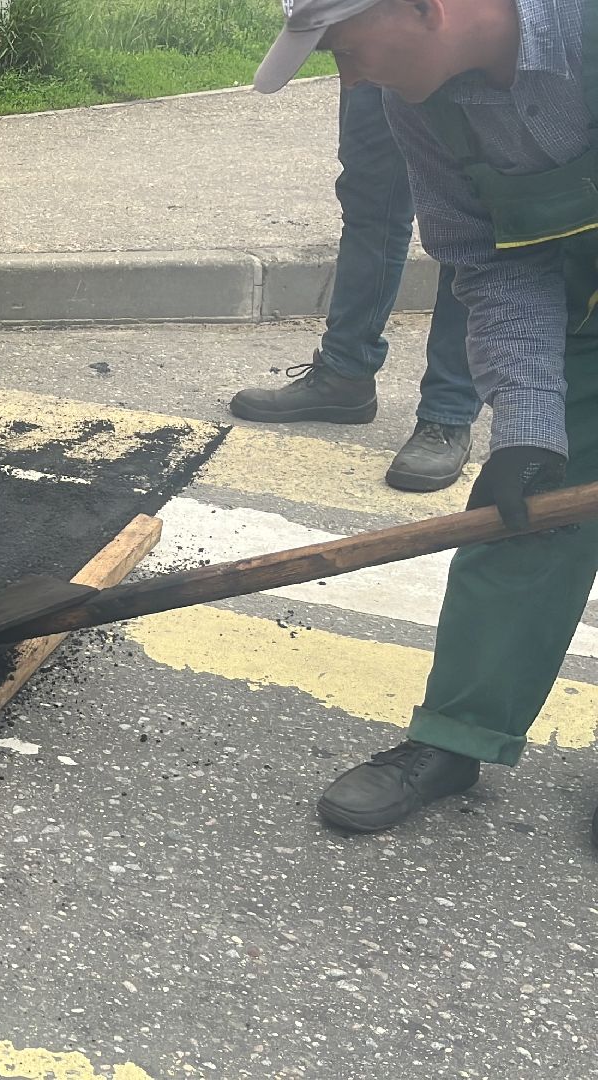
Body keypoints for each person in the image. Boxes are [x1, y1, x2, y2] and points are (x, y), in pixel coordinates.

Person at [256, 0, 597, 836]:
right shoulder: (421, 106)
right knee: (515, 519)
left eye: (345, 48)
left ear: (425, 8)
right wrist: (526, 427)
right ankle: (453, 738)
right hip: (579, 311)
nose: (350, 75)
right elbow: (489, 264)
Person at [231, 85, 481, 492]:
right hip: (372, 46)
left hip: (461, 56)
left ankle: (447, 414)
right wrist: (356, 63)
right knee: (369, 202)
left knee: (467, 219)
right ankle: (345, 375)